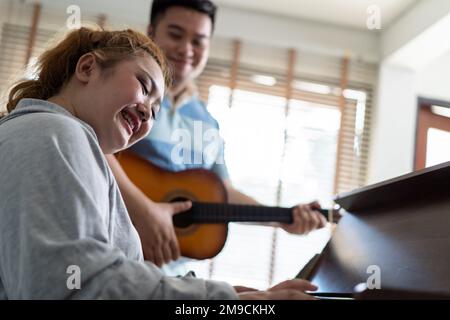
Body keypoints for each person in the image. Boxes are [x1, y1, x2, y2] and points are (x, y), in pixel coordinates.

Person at [0, 26, 319, 300]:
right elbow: (77, 286)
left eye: (155, 110)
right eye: (143, 86)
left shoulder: (67, 140)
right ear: (87, 69)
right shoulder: (55, 133)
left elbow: (112, 278)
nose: (146, 112)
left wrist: (239, 297)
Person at [105, 0, 328, 274]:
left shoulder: (208, 122)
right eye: (175, 34)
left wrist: (281, 218)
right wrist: (145, 210)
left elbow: (222, 192)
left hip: (173, 278)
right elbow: (94, 144)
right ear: (151, 32)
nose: (186, 49)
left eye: (199, 41)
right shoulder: (128, 93)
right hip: (114, 259)